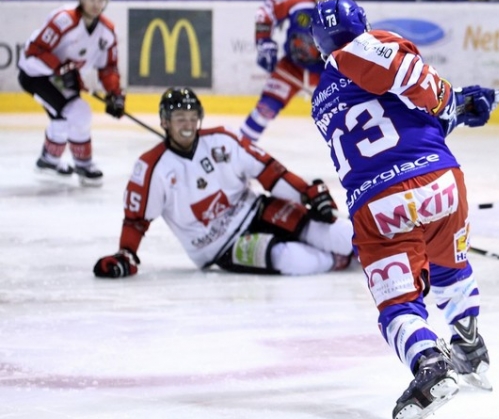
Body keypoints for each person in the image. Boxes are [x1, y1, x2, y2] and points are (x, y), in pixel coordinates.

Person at [309, 0, 499, 419]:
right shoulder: (366, 47)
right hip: (440, 184)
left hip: (378, 205)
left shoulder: (321, 99)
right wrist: (453, 102)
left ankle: (431, 365)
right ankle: (469, 347)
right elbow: (411, 83)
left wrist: (459, 110)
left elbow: (388, 121)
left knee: (398, 304)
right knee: (451, 266)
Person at [93, 87, 354, 279]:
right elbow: (137, 219)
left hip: (256, 209)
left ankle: (376, 250)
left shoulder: (221, 140)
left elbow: (269, 173)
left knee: (332, 231)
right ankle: (338, 261)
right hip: (219, 246)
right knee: (288, 258)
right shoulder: (151, 169)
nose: (188, 124)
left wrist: (306, 193)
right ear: (164, 122)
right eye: (180, 119)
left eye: (192, 117)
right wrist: (126, 253)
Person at [17, 0, 125, 186]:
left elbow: (108, 67)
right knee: (78, 112)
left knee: (64, 116)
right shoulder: (63, 20)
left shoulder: (107, 31)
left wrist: (115, 95)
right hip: (36, 74)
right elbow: (34, 51)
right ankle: (83, 163)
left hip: (63, 76)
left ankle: (49, 160)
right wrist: (58, 67)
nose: (96, 4)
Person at [239, 0, 345, 144]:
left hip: (325, 73)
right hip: (292, 66)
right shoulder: (298, 1)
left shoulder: (346, 13)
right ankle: (240, 148)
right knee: (267, 107)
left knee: (344, 117)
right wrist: (264, 43)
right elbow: (267, 10)